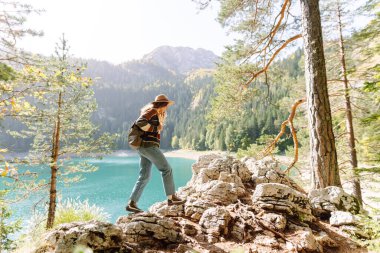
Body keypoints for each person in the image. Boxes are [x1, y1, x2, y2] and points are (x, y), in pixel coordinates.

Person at [126, 94, 186, 213]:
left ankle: (132, 203)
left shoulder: (155, 113)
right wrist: (155, 128)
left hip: (143, 148)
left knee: (144, 176)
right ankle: (171, 198)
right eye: (166, 105)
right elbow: (140, 122)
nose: (167, 108)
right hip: (148, 146)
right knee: (166, 169)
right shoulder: (152, 111)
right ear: (162, 105)